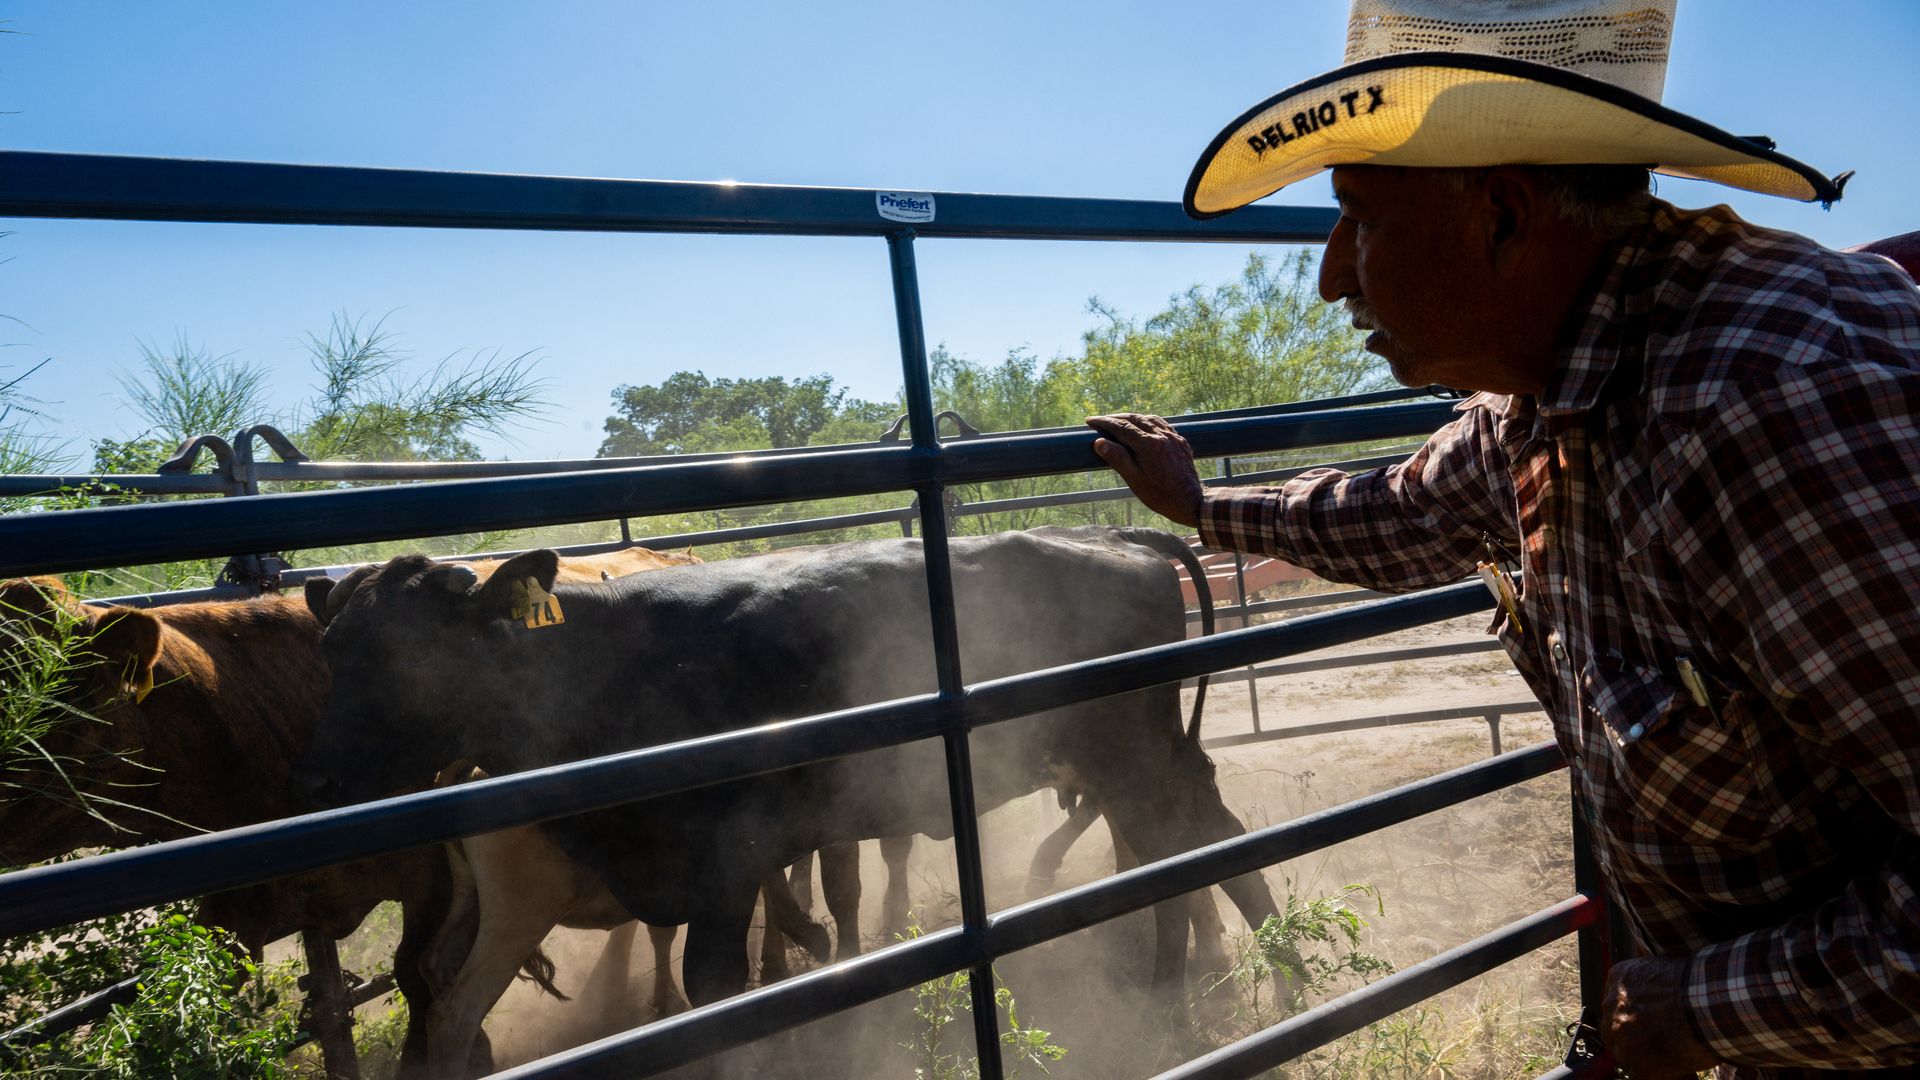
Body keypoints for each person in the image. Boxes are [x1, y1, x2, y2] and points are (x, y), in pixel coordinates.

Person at [1087, 3, 1920, 1078]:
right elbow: (1399, 512)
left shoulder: (1773, 417)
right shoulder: (1543, 398)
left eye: (1363, 219)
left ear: (1504, 216)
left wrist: (1702, 1010)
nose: (1335, 274)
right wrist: (1204, 508)